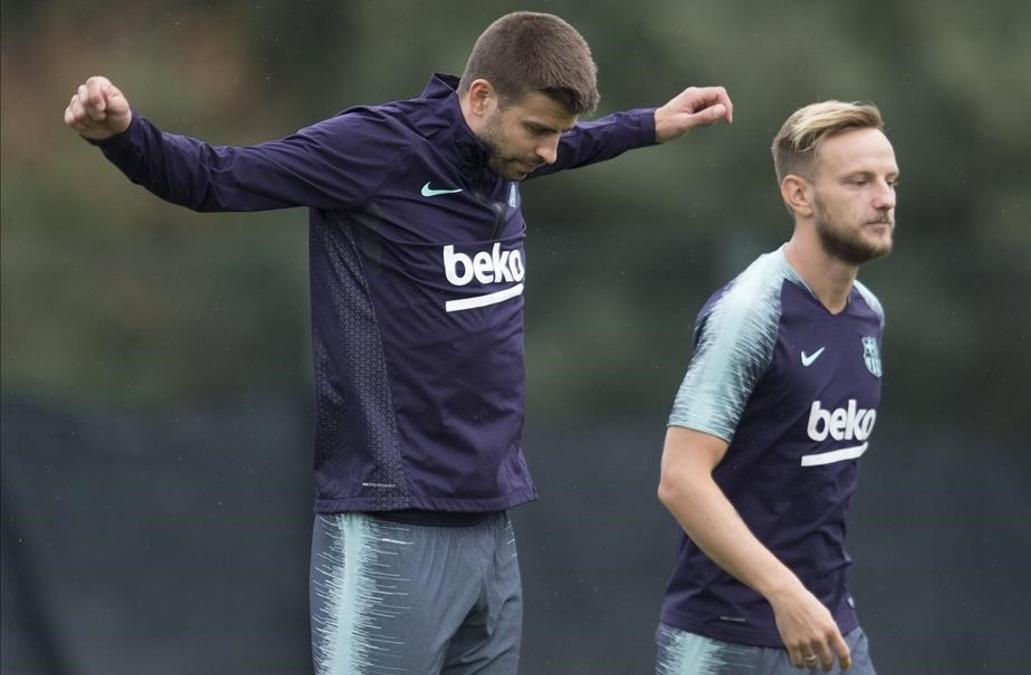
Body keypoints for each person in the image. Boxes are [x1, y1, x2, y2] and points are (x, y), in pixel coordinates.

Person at [63, 11, 732, 674]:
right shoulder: (373, 150)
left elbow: (566, 143)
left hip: (491, 523)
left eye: (558, 134)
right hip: (390, 517)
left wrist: (648, 124)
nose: (551, 151)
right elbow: (216, 177)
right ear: (479, 97)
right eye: (538, 131)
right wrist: (125, 136)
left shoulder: (509, 155)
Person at [654, 100, 897, 674]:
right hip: (725, 642)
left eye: (890, 181)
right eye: (859, 181)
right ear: (799, 195)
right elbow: (680, 479)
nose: (884, 198)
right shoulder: (751, 311)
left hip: (830, 632)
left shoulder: (868, 314)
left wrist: (807, 603)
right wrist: (784, 593)